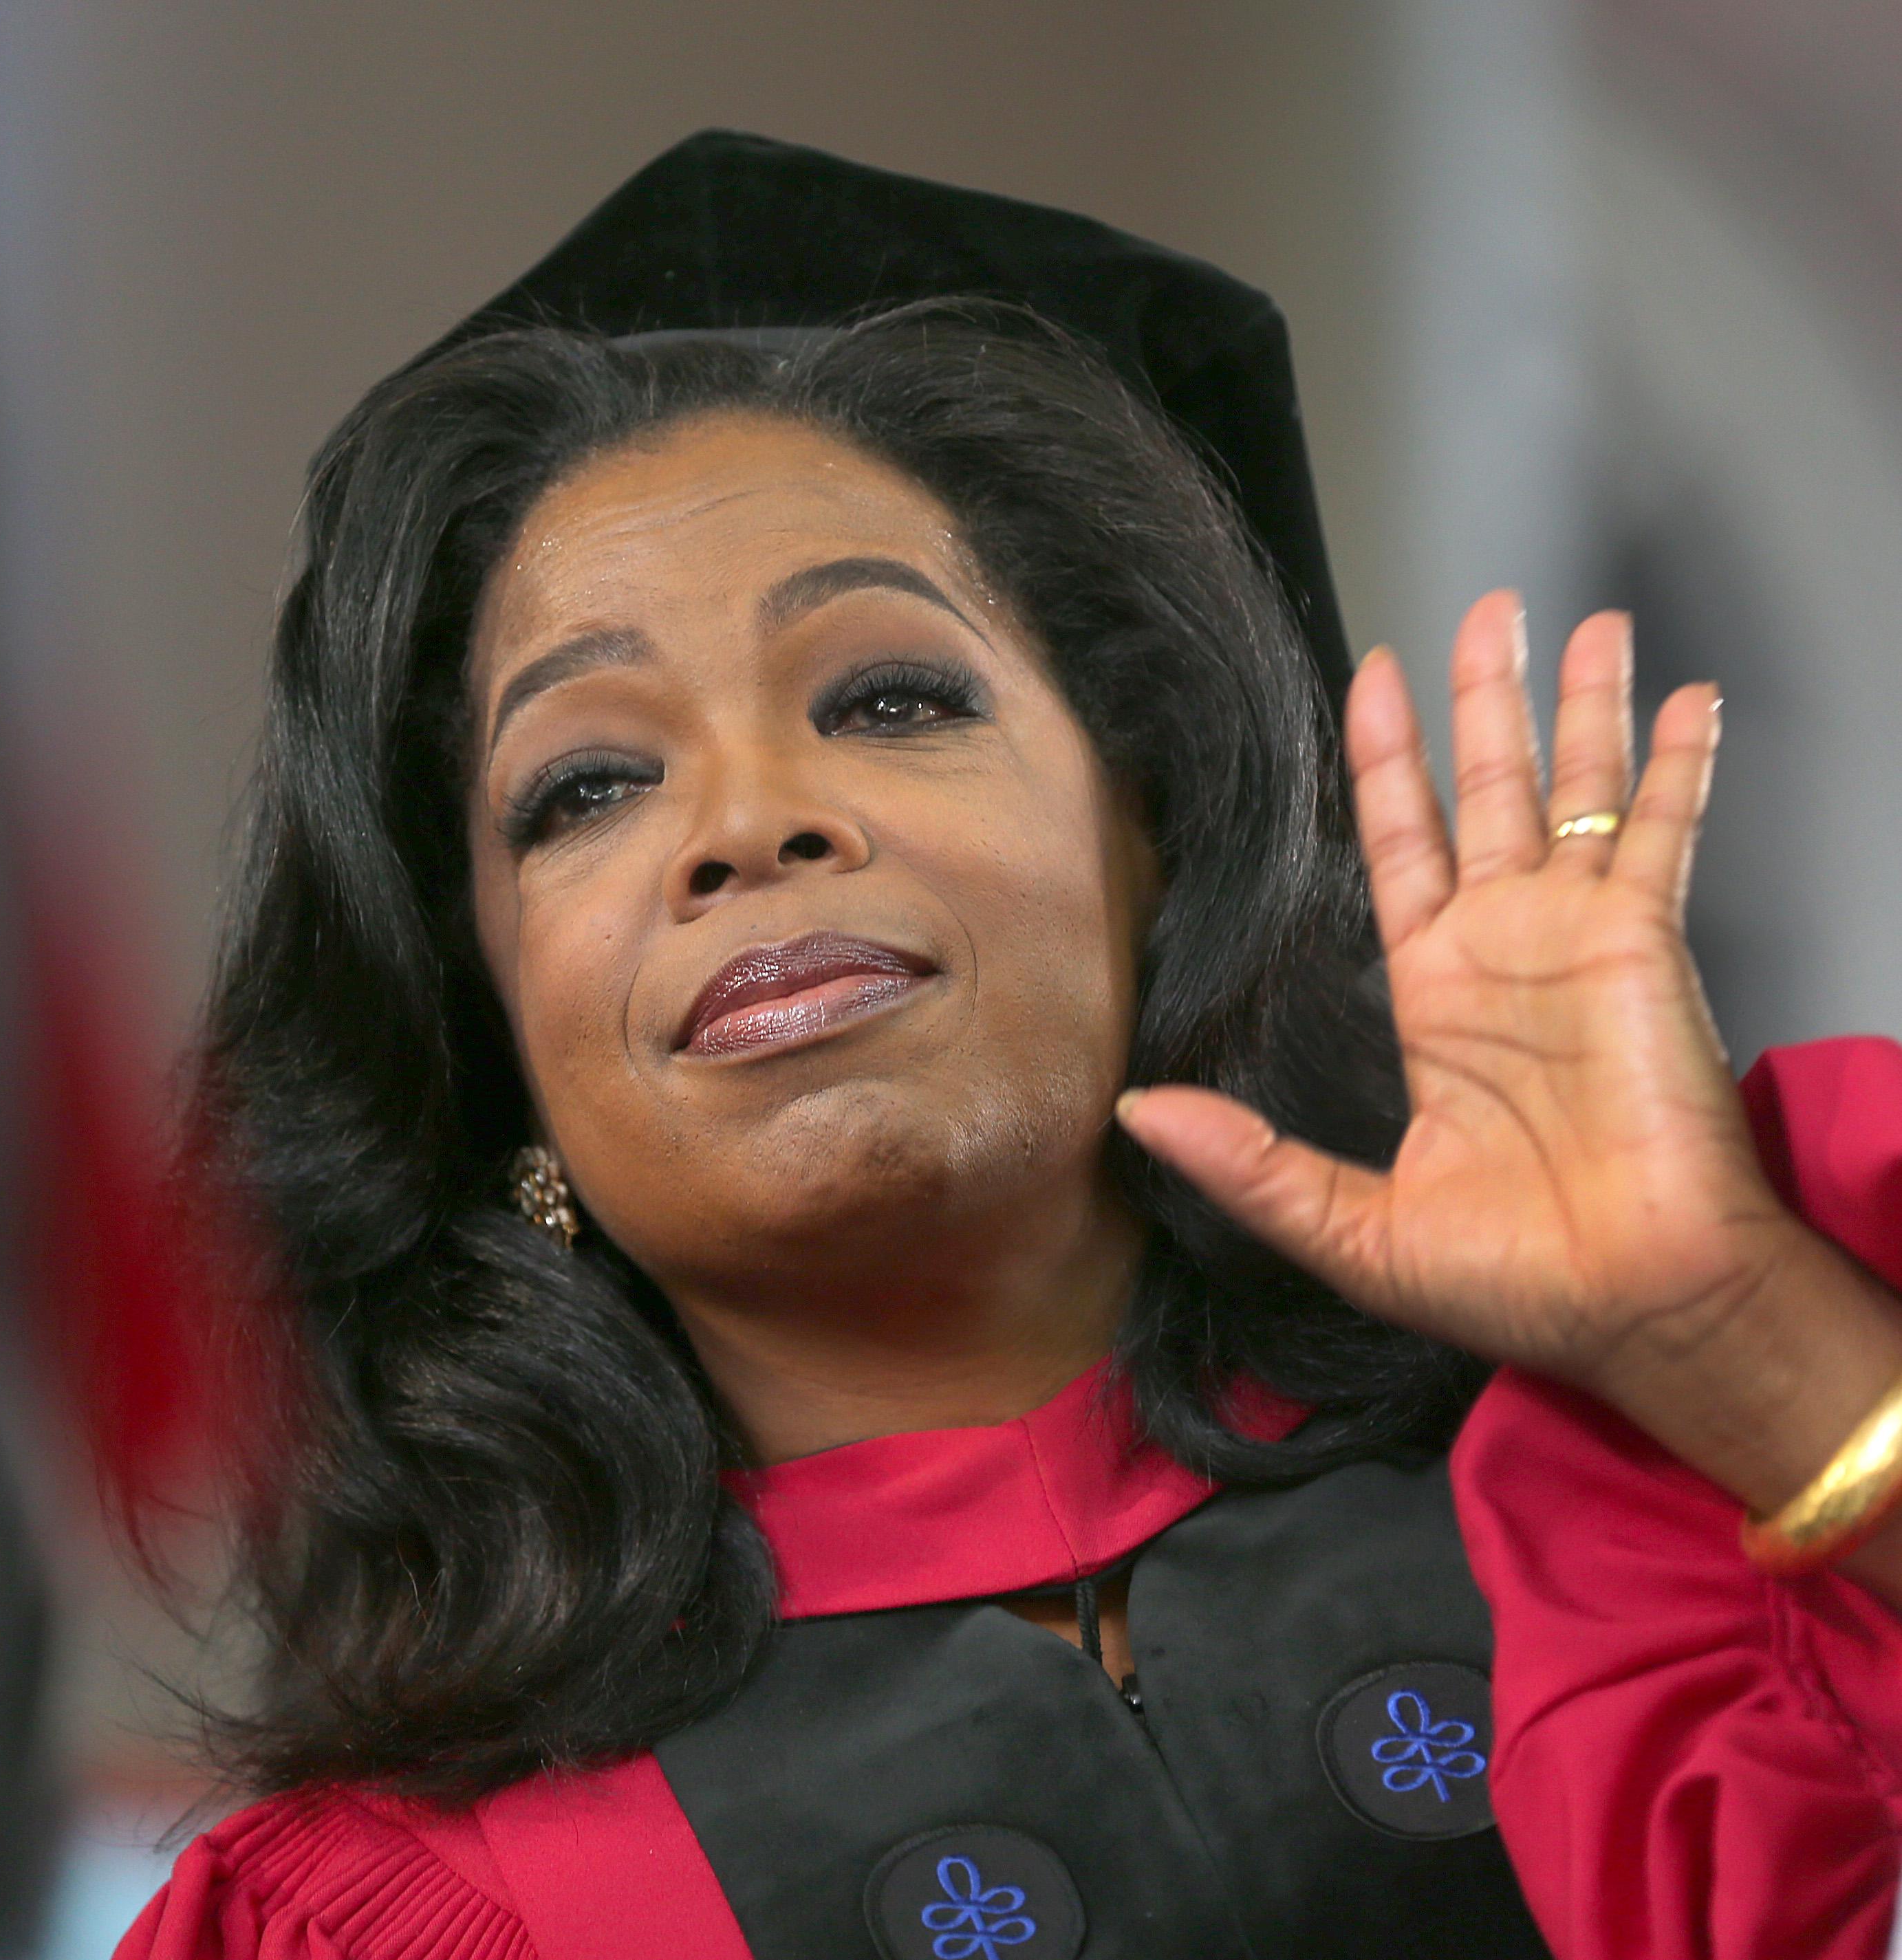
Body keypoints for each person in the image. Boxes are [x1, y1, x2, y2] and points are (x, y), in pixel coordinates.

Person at [117, 133, 1902, 1960]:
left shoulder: (1701, 1495)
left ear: (1156, 833)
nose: (746, 823)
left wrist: (1721, 1334)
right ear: (493, 1038)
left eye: (891, 696)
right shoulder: (387, 1918)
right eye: (585, 787)